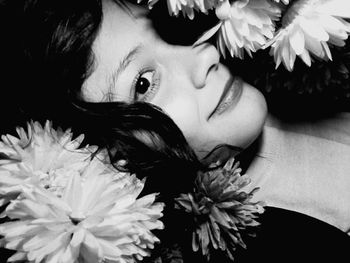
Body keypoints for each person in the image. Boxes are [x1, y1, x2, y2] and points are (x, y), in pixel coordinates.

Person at [1, 0, 350, 262]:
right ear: (105, 162)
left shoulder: (314, 70)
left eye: (170, 32)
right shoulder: (261, 246)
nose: (204, 57)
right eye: (144, 81)